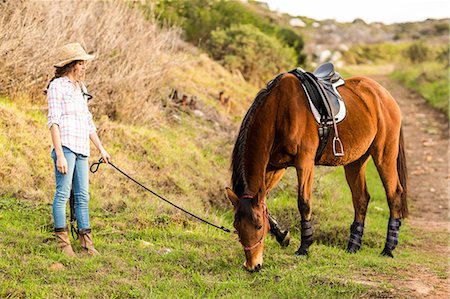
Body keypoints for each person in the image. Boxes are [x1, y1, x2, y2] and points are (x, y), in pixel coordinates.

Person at [46, 42, 111, 257]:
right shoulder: (57, 86)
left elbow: (87, 121)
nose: (84, 67)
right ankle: (64, 245)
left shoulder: (82, 88)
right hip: (65, 146)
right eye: (81, 63)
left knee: (83, 196)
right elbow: (53, 122)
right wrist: (60, 155)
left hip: (82, 147)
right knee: (63, 194)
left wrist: (101, 149)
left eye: (84, 63)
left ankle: (87, 245)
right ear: (72, 65)